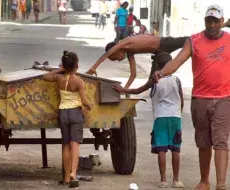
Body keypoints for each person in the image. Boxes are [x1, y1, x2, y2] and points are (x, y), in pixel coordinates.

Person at [154, 4, 230, 190]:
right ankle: (205, 181)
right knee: (203, 142)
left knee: (220, 141)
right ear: (204, 21)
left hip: (224, 98)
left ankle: (221, 184)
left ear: (222, 22)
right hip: (200, 99)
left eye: (215, 21)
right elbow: (178, 60)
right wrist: (162, 72)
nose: (211, 25)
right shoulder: (194, 41)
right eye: (208, 21)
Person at [113, 52, 184, 188]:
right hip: (175, 117)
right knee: (176, 150)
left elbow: (138, 90)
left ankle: (163, 180)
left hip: (160, 118)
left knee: (162, 150)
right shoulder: (177, 79)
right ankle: (176, 180)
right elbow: (181, 100)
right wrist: (178, 112)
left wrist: (123, 89)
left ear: (157, 65)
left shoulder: (155, 81)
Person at [43, 51, 91, 187]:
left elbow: (45, 76)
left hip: (62, 113)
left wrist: (60, 69)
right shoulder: (79, 82)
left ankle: (66, 177)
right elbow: (85, 101)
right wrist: (90, 107)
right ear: (77, 65)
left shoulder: (59, 78)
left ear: (64, 65)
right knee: (74, 144)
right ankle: (73, 173)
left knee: (65, 145)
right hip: (75, 113)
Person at [86, 35, 188, 89]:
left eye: (116, 58)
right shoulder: (130, 52)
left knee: (188, 40)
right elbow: (133, 75)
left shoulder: (124, 42)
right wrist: (124, 89)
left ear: (116, 51)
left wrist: (94, 67)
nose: (118, 60)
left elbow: (108, 53)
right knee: (151, 82)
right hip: (158, 55)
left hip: (164, 42)